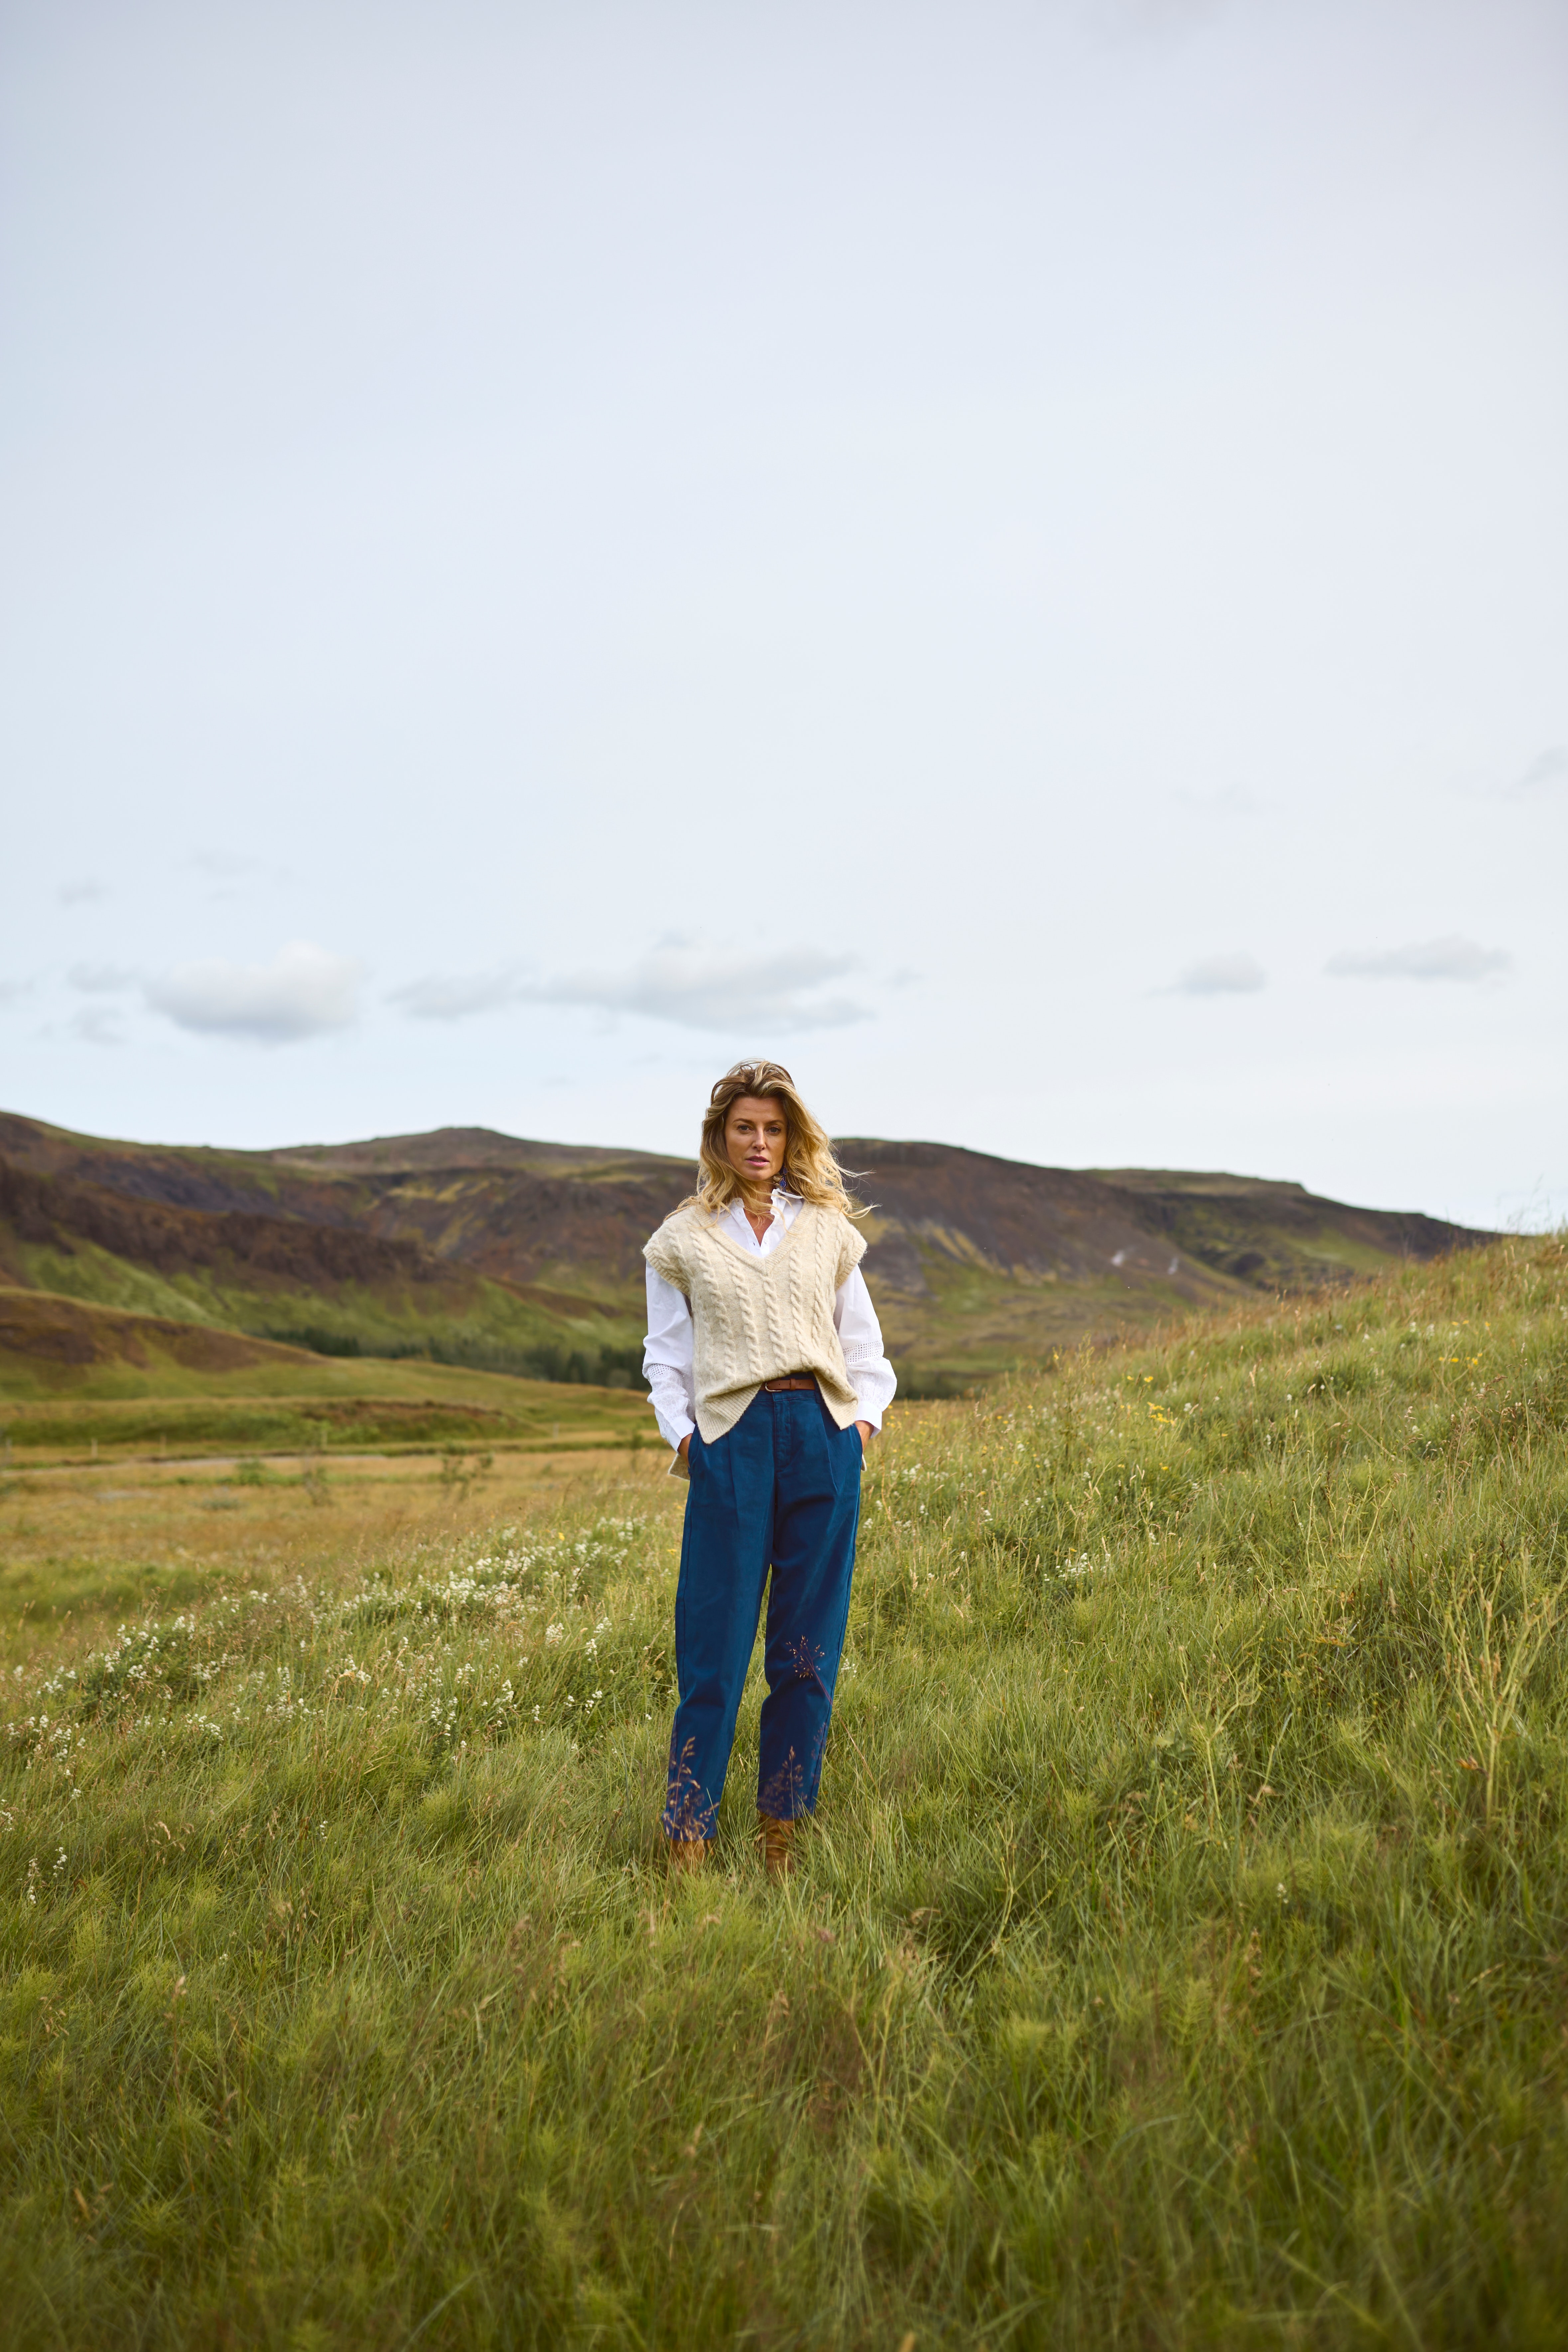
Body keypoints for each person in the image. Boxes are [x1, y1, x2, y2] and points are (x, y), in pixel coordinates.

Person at [642, 1059, 896, 1877]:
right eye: (745, 1128)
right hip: (733, 1440)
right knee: (712, 1649)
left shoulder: (826, 1228)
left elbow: (864, 1348)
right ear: (720, 1137)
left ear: (792, 1139)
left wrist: (858, 1429)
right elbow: (665, 1359)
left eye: (774, 1129)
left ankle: (782, 1830)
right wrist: (690, 1443)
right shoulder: (681, 1239)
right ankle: (688, 1836)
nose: (760, 1143)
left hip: (822, 1436)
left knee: (806, 1653)